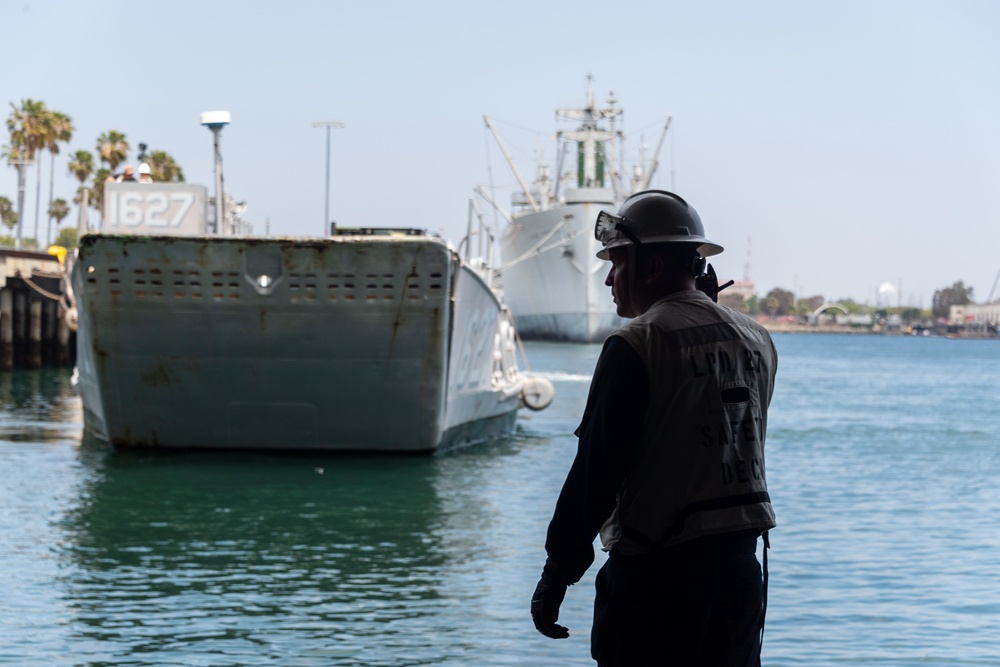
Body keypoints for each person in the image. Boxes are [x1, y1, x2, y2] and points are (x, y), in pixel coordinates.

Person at [530, 190, 778, 666]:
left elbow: (595, 472)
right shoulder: (756, 337)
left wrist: (557, 572)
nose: (608, 279)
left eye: (618, 263)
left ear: (652, 268)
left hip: (658, 584)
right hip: (739, 582)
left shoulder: (636, 343)